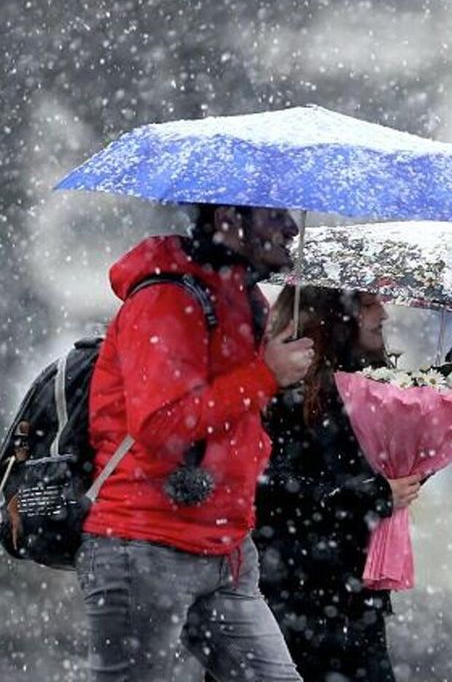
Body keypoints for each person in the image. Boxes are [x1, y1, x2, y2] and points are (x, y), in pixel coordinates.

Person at [78, 204, 314, 682]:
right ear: (229, 217)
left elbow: (238, 413)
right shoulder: (165, 299)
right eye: (273, 216)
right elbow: (161, 425)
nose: (291, 227)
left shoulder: (245, 298)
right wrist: (265, 375)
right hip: (144, 545)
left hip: (226, 548)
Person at [255, 285, 423, 682]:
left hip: (349, 597)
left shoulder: (371, 391)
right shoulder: (281, 391)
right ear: (335, 315)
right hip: (290, 595)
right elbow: (266, 488)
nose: (382, 313)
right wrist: (372, 494)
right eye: (368, 304)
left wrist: (411, 465)